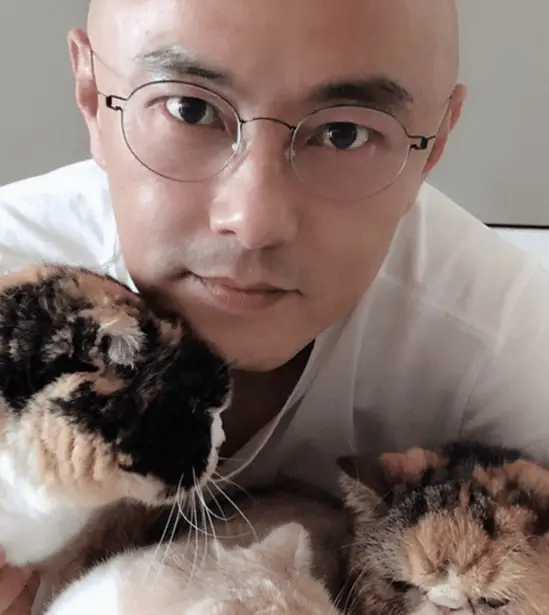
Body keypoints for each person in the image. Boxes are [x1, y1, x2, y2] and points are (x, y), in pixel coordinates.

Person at [2, 0, 549, 612]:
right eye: (190, 109)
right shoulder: (13, 289)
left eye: (344, 134)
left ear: (434, 146)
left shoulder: (502, 339)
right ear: (91, 97)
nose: (254, 219)